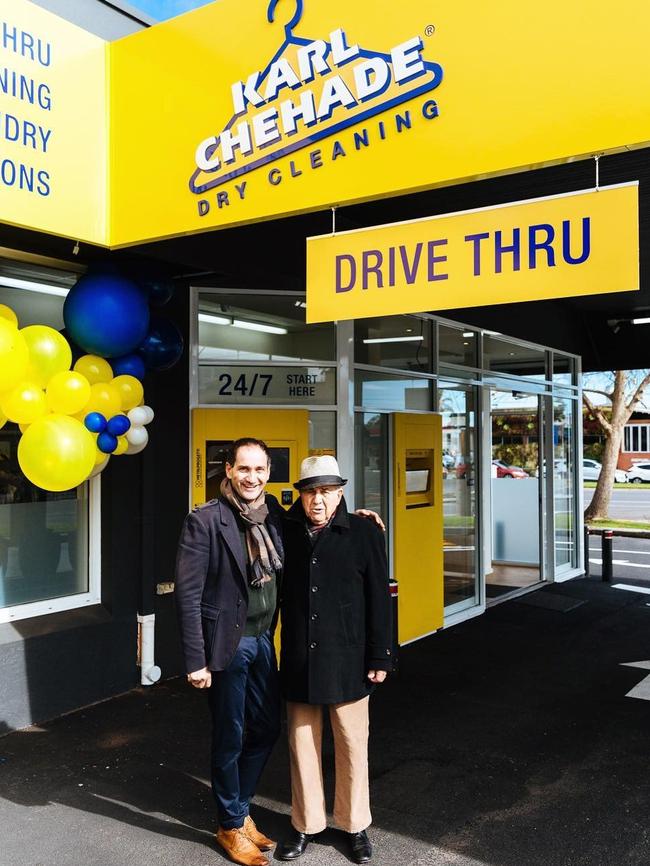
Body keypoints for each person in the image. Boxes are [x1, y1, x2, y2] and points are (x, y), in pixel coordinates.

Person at [277, 455, 393, 864]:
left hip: (349, 657)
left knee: (351, 743)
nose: (318, 501)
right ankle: (306, 824)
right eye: (310, 492)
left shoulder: (364, 531)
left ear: (340, 492)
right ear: (300, 496)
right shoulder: (284, 529)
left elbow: (380, 597)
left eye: (326, 491)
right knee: (302, 744)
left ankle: (355, 825)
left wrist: (381, 654)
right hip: (299, 658)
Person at [175, 438, 283, 866]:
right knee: (230, 734)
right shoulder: (204, 520)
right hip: (227, 644)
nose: (251, 478)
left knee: (266, 727)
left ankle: (237, 811)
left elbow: (321, 519)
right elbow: (187, 595)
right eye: (244, 469)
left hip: (263, 640)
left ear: (268, 472)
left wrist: (363, 517)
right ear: (229, 471)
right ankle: (230, 825)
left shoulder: (272, 514)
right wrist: (195, 660)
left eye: (259, 470)